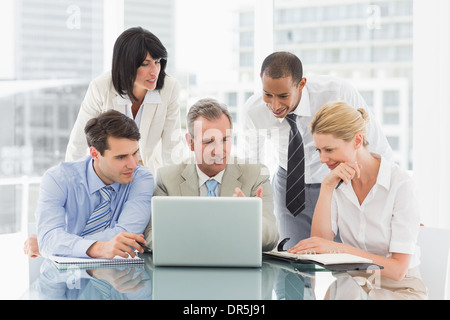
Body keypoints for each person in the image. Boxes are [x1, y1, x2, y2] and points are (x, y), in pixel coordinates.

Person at [242, 51, 393, 248]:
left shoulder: (337, 92)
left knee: (350, 257)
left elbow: (376, 144)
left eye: (283, 96)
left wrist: (391, 201)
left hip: (338, 181)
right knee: (293, 260)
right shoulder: (253, 111)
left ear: (301, 84)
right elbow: (252, 164)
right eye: (268, 94)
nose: (275, 105)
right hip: (290, 187)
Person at [288, 102, 427, 298]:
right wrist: (327, 188)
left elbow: (398, 270)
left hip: (399, 289)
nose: (322, 159)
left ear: (357, 140)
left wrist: (341, 250)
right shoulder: (336, 182)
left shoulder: (401, 185)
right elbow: (320, 244)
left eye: (329, 150)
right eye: (319, 150)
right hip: (353, 285)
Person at [143, 98, 279, 252]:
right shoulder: (167, 179)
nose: (219, 151)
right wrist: (202, 243)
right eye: (208, 142)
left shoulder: (255, 175)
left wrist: (249, 220)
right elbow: (151, 236)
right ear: (191, 142)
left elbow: (272, 237)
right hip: (187, 267)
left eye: (225, 140)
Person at [24, 110, 154, 259]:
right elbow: (49, 239)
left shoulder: (141, 178)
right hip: (63, 278)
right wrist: (98, 248)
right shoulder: (58, 179)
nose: (132, 164)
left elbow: (128, 235)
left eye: (135, 153)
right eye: (121, 157)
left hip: (119, 276)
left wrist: (59, 243)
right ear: (94, 154)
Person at [65, 26, 184, 176]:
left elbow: (172, 148)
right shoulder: (100, 88)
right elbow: (79, 143)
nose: (154, 71)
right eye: (145, 64)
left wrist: (176, 191)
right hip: (109, 175)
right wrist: (74, 185)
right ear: (126, 65)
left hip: (148, 175)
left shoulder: (170, 88)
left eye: (157, 61)